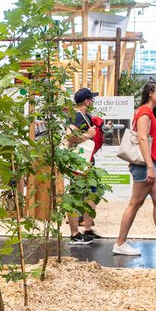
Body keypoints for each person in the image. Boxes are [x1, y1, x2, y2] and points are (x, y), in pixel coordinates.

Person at [113, 82, 156, 256]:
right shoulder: (144, 112)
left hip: (152, 163)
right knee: (135, 203)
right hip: (145, 165)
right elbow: (142, 139)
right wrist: (150, 167)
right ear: (150, 93)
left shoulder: (149, 111)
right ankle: (120, 243)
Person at [65, 87, 103, 245]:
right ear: (87, 101)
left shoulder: (86, 116)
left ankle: (87, 229)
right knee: (76, 196)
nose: (93, 101)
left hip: (87, 162)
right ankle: (75, 234)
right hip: (79, 164)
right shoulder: (77, 116)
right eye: (91, 99)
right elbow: (69, 136)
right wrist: (88, 135)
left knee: (91, 195)